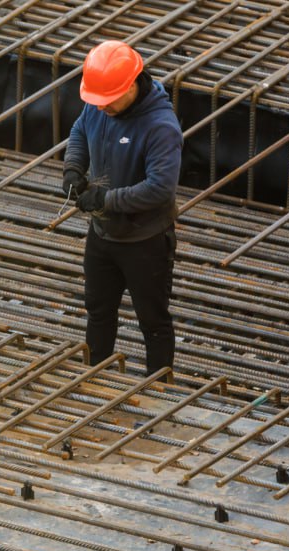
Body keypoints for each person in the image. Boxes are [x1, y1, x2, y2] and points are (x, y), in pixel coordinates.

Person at [62, 39, 182, 375]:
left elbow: (159, 189)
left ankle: (159, 389)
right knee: (99, 312)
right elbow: (80, 130)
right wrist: (73, 166)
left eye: (108, 101)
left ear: (131, 85)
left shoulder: (160, 127)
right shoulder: (99, 104)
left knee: (153, 322)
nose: (101, 108)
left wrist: (105, 200)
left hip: (145, 242)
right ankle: (94, 378)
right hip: (102, 236)